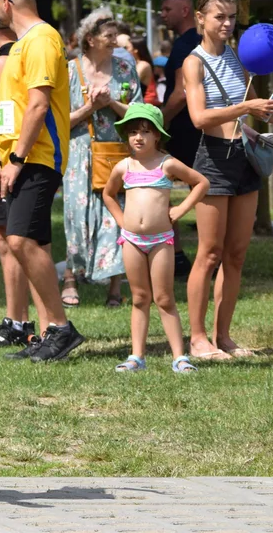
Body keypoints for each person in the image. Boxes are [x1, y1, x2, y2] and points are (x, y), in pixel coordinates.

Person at [183, 0, 273, 360]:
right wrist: (244, 106)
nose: (228, 24)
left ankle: (223, 336)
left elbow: (254, 110)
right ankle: (198, 339)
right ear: (201, 18)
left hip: (245, 156)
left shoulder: (237, 57)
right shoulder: (193, 62)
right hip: (213, 159)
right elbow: (199, 118)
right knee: (209, 253)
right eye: (220, 17)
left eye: (231, 17)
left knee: (236, 254)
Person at [0, 0, 84, 362]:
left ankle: (60, 328)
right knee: (34, 243)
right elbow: (11, 112)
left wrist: (16, 160)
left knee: (20, 241)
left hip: (39, 157)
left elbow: (39, 106)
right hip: (19, 157)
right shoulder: (23, 44)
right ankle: (49, 333)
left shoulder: (42, 39)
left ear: (6, 3)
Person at [102, 104, 209, 373]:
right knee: (139, 297)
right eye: (134, 132)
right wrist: (120, 220)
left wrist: (180, 209)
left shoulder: (167, 163)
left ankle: (180, 357)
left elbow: (201, 183)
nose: (139, 137)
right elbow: (108, 194)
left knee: (164, 298)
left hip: (161, 240)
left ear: (157, 136)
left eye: (146, 132)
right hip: (131, 240)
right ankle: (136, 356)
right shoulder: (124, 166)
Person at [62, 8, 142, 308]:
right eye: (108, 36)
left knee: (115, 218)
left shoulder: (124, 68)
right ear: (90, 39)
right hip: (78, 155)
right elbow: (59, 121)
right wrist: (90, 109)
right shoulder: (71, 71)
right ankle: (71, 278)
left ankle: (115, 287)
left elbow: (139, 114)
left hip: (114, 153)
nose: (115, 41)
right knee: (75, 216)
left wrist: (113, 104)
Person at [0, 0, 41, 349]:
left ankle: (18, 319)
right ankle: (18, 316)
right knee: (6, 240)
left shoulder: (3, 61)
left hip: (6, 157)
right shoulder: (16, 55)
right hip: (13, 154)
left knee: (9, 242)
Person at [159, 0, 201, 277]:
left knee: (159, 187)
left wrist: (158, 122)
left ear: (185, 10)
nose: (163, 14)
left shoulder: (186, 45)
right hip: (198, 129)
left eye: (167, 9)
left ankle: (176, 256)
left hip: (186, 130)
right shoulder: (197, 42)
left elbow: (180, 93)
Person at [125, 36, 158, 105]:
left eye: (126, 48)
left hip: (144, 106)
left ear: (135, 50)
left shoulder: (143, 64)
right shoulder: (134, 64)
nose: (124, 51)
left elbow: (130, 82)